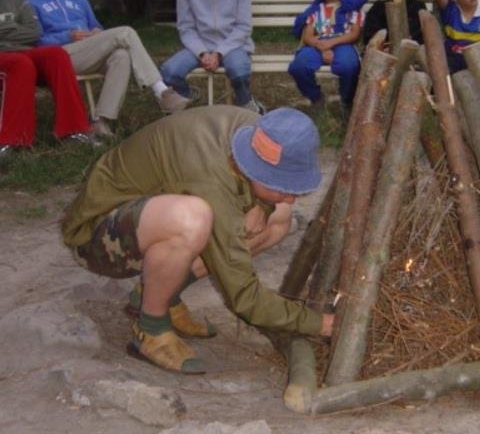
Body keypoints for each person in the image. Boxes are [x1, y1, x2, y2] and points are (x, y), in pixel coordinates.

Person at [61, 105, 335, 374]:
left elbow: (262, 197)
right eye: (282, 187)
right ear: (254, 171)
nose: (291, 197)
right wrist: (319, 323)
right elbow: (243, 297)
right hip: (97, 234)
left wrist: (264, 206)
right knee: (192, 219)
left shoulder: (257, 131)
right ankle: (151, 329)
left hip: (151, 210)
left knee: (280, 218)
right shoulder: (210, 179)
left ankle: (158, 294)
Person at [26, 0, 187, 139]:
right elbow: (36, 41)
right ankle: (161, 91)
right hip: (60, 56)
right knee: (125, 32)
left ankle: (101, 121)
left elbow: (97, 26)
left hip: (87, 52)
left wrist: (97, 32)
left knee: (122, 56)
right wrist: (67, 36)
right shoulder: (32, 3)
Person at [0, 0, 98, 158]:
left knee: (56, 54)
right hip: (10, 57)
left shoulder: (16, 0)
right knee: (21, 64)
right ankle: (15, 141)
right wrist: (14, 32)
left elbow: (34, 32)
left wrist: (6, 34)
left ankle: (73, 130)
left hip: (22, 52)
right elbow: (24, 32)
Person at [160, 0, 264, 114]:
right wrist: (202, 53)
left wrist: (218, 53)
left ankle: (245, 103)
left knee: (239, 71)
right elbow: (186, 28)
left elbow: (243, 27)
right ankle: (189, 94)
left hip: (232, 45)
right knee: (169, 71)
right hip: (200, 46)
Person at [288, 0, 367, 115]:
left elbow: (354, 34)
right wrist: (320, 46)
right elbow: (308, 35)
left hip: (343, 43)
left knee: (349, 65)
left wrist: (330, 44)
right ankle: (316, 97)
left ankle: (346, 100)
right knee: (299, 66)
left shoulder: (350, 6)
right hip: (318, 44)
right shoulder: (316, 10)